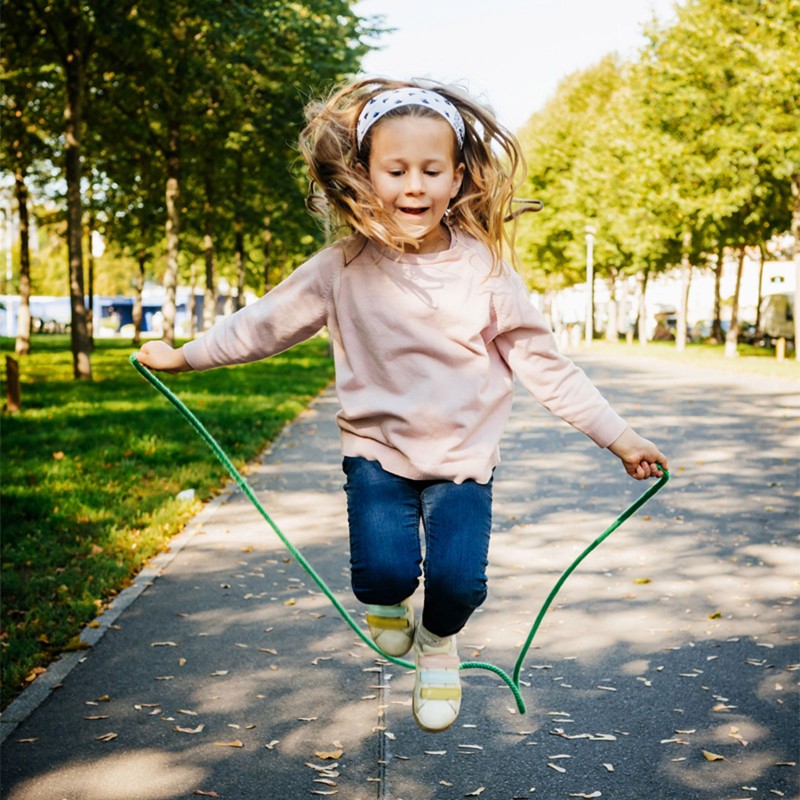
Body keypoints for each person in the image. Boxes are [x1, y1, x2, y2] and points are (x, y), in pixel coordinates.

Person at [135, 78, 668, 734]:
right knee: (382, 572)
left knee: (460, 588)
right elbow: (264, 322)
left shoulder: (487, 273)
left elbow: (545, 365)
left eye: (430, 170)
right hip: (377, 455)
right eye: (395, 170)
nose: (413, 185)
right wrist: (187, 356)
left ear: (458, 178)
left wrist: (619, 436)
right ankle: (387, 605)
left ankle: (439, 646)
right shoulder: (342, 267)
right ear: (364, 175)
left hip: (463, 461)